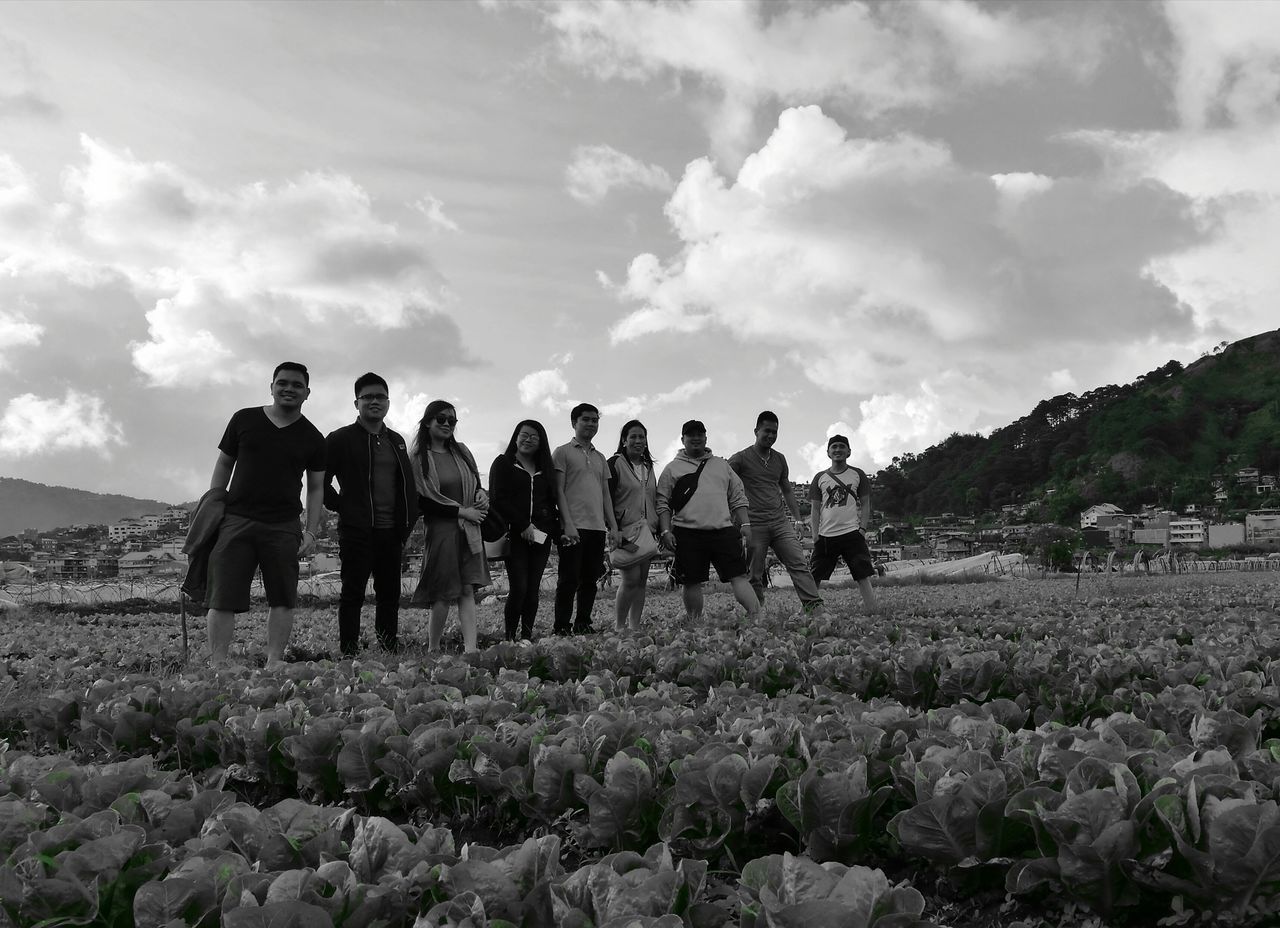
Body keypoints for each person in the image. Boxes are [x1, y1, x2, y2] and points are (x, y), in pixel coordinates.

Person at [205, 362, 326, 665]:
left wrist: (311, 530)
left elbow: (315, 488)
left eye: (297, 385)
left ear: (307, 392)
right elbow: (224, 464)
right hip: (236, 519)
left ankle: (274, 662)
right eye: (282, 383)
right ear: (271, 387)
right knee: (223, 596)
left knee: (283, 598)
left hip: (284, 524)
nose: (289, 389)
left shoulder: (313, 437)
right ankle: (218, 663)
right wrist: (215, 505)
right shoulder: (244, 419)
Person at [323, 372, 417, 655]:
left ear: (388, 402)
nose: (375, 401)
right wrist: (344, 506)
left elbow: (407, 485)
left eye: (380, 397)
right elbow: (320, 482)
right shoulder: (340, 439)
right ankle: (349, 651)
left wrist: (407, 525)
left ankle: (388, 647)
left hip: (391, 532)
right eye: (368, 397)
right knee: (352, 594)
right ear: (356, 403)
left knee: (389, 595)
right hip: (356, 531)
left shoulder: (397, 441)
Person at [655, 419, 761, 623]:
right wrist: (666, 531)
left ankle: (757, 617)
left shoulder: (721, 465)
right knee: (691, 581)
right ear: (682, 439)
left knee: (739, 576)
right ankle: (695, 621)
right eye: (690, 435)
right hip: (687, 532)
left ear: (705, 438)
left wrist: (746, 524)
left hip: (722, 529)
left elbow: (737, 495)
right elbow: (663, 503)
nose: (695, 438)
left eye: (699, 434)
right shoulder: (671, 469)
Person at [410, 399, 490, 652]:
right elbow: (423, 501)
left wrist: (480, 494)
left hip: (469, 529)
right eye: (441, 419)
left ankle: (471, 649)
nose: (447, 424)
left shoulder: (463, 452)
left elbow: (475, 482)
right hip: (442, 530)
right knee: (442, 594)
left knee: (467, 589)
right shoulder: (418, 458)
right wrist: (462, 511)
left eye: (452, 420)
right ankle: (433, 648)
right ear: (427, 423)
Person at [729, 411, 824, 617]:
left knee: (798, 562)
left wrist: (798, 520)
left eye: (775, 432)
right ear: (756, 431)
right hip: (754, 523)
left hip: (780, 522)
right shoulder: (740, 459)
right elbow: (724, 482)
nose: (771, 436)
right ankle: (756, 612)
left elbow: (787, 490)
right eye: (767, 431)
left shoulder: (779, 459)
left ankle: (814, 607)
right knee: (754, 573)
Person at [488, 420, 563, 642]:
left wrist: (551, 531)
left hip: (541, 537)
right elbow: (498, 499)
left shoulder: (545, 470)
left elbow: (551, 504)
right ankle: (509, 637)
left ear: (541, 443)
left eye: (534, 437)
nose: (527, 439)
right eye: (524, 434)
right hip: (515, 535)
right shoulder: (503, 464)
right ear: (515, 437)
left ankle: (527, 637)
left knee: (532, 589)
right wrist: (523, 525)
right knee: (518, 587)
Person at [552, 403, 619, 635]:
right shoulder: (562, 452)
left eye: (595, 420)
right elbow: (558, 490)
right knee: (568, 578)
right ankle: (561, 625)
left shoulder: (600, 457)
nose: (591, 424)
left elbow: (605, 495)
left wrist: (613, 526)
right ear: (574, 423)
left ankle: (583, 622)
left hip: (597, 527)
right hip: (572, 526)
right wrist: (567, 522)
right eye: (586, 419)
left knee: (590, 578)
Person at [808, 434, 880, 613]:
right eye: (834, 447)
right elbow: (815, 509)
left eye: (841, 446)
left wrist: (862, 529)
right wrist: (815, 534)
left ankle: (872, 609)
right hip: (826, 535)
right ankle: (808, 610)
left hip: (851, 533)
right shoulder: (820, 477)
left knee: (862, 573)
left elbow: (865, 504)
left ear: (848, 451)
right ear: (828, 452)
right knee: (814, 575)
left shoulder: (858, 474)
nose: (838, 450)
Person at [607, 419, 659, 631]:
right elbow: (607, 497)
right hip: (623, 530)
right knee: (630, 578)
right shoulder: (615, 463)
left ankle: (635, 626)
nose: (638, 441)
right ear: (624, 440)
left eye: (642, 437)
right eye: (633, 437)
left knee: (642, 580)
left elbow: (653, 497)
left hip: (646, 530)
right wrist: (613, 528)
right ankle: (620, 626)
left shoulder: (648, 466)